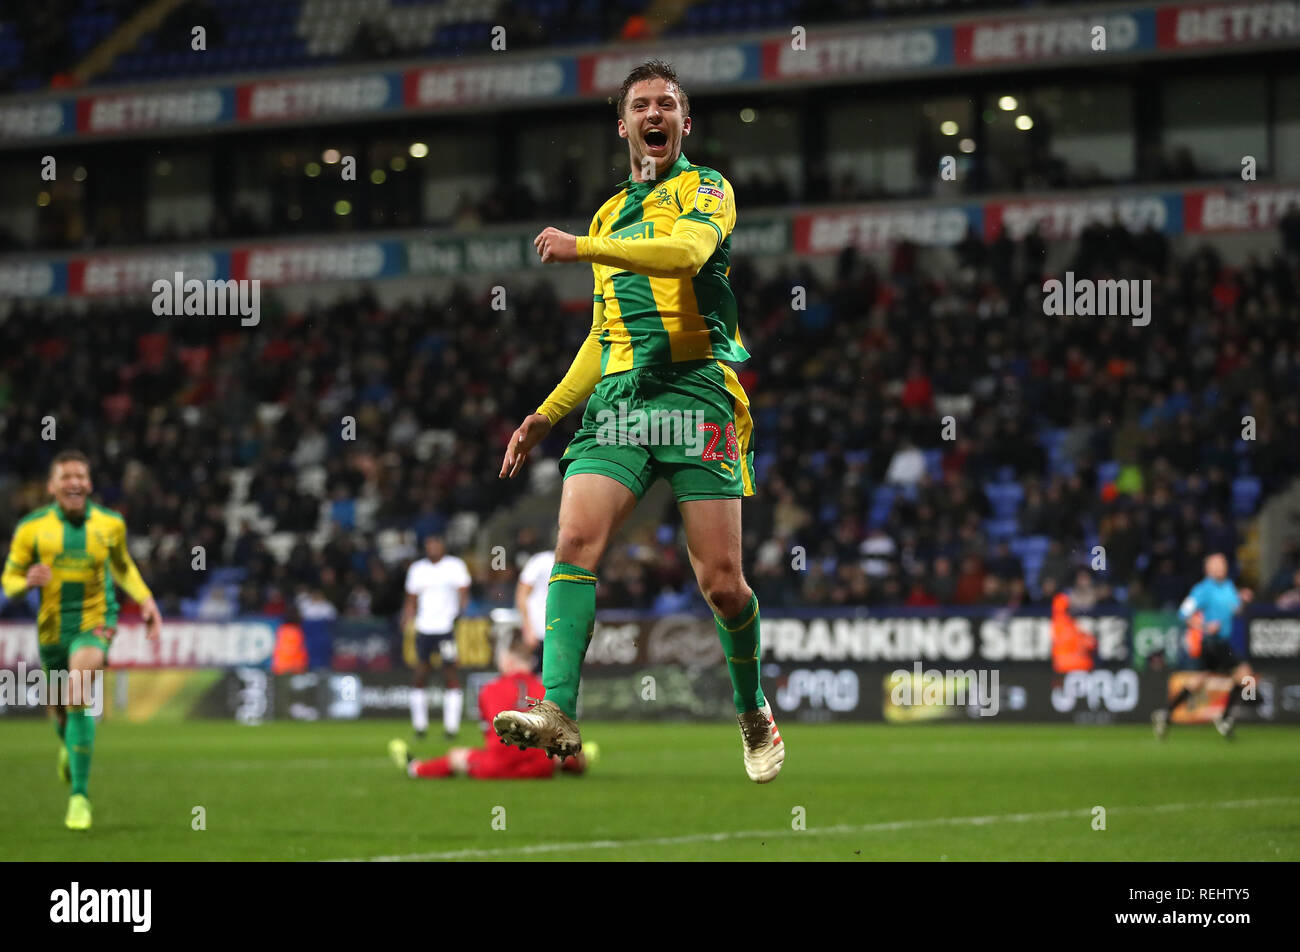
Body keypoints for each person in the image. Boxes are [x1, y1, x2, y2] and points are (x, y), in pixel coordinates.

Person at [495, 60, 783, 783]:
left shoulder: (706, 188)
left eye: (667, 104)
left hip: (696, 397)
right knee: (573, 541)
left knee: (722, 583)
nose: (654, 114)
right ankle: (557, 707)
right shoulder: (607, 213)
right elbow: (604, 334)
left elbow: (686, 256)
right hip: (621, 403)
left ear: (685, 123)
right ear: (622, 125)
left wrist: (584, 248)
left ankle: (751, 708)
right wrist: (545, 414)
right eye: (640, 106)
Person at [1, 451, 163, 830]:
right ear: (52, 487)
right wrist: (26, 582)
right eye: (66, 476)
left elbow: (122, 566)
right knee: (59, 709)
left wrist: (146, 599)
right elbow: (8, 578)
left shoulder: (110, 524)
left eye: (80, 476)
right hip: (53, 630)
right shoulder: (31, 528)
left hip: (96, 620)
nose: (74, 482)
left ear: (89, 484)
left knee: (77, 690)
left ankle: (79, 798)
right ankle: (67, 746)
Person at [388, 635, 589, 780]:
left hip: (498, 766)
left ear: (509, 662)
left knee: (457, 756)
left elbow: (490, 735)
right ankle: (583, 760)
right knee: (566, 751)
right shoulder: (547, 689)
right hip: (539, 768)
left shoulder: (490, 689)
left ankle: (416, 768)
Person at [1152, 553, 1255, 739]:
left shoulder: (1229, 587)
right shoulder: (1203, 590)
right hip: (1212, 644)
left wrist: (1242, 600)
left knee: (1199, 681)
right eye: (1217, 564)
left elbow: (1236, 610)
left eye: (1223, 564)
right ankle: (1226, 717)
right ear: (1208, 569)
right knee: (1245, 675)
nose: (1221, 568)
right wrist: (1204, 627)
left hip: (1223, 642)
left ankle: (1166, 714)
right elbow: (1183, 613)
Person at [401, 534, 470, 740]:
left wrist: (459, 614)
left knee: (450, 673)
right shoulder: (417, 569)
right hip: (424, 628)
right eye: (429, 545)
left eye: (436, 544)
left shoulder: (454, 566)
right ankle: (420, 726)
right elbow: (411, 598)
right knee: (421, 672)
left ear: (443, 546)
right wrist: (408, 618)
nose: (433, 548)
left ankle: (451, 728)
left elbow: (463, 593)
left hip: (446, 628)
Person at [516, 545, 555, 651]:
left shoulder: (575, 563)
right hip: (538, 631)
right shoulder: (540, 561)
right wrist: (527, 628)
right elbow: (522, 594)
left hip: (561, 633)